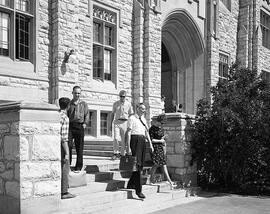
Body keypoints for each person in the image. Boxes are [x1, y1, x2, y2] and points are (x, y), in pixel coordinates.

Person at [126, 103, 154, 199]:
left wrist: (150, 144)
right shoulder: (132, 118)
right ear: (137, 108)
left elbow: (146, 132)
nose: (143, 110)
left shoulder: (143, 120)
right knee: (137, 165)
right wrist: (128, 147)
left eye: (144, 109)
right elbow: (128, 132)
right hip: (135, 140)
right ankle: (139, 191)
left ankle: (130, 184)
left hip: (142, 141)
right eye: (142, 108)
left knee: (140, 165)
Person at [149, 114, 176, 189]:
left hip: (161, 147)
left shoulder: (160, 128)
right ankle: (169, 182)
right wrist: (161, 140)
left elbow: (161, 138)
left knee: (161, 165)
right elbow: (151, 140)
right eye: (162, 123)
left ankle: (169, 183)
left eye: (163, 123)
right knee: (158, 165)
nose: (162, 124)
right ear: (158, 121)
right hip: (155, 148)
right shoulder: (152, 128)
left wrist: (164, 138)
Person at [67, 86, 89, 171]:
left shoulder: (84, 104)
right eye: (75, 93)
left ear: (80, 93)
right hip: (71, 126)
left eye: (79, 93)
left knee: (79, 147)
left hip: (80, 126)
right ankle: (68, 164)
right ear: (72, 93)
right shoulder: (69, 103)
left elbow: (87, 114)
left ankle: (78, 166)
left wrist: (85, 124)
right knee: (68, 145)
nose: (77, 95)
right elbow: (66, 113)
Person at [59, 97, 76, 199]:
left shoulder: (56, 115)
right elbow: (64, 137)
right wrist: (67, 152)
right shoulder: (65, 118)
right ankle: (64, 192)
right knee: (65, 168)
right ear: (68, 106)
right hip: (62, 146)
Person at [110, 90, 133, 160]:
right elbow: (112, 114)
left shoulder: (129, 104)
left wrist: (130, 125)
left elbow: (131, 115)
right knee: (116, 138)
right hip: (117, 122)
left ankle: (122, 154)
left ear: (125, 97)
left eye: (123, 96)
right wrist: (110, 124)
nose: (122, 98)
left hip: (125, 123)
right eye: (121, 96)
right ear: (119, 96)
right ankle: (115, 153)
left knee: (123, 140)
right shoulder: (115, 104)